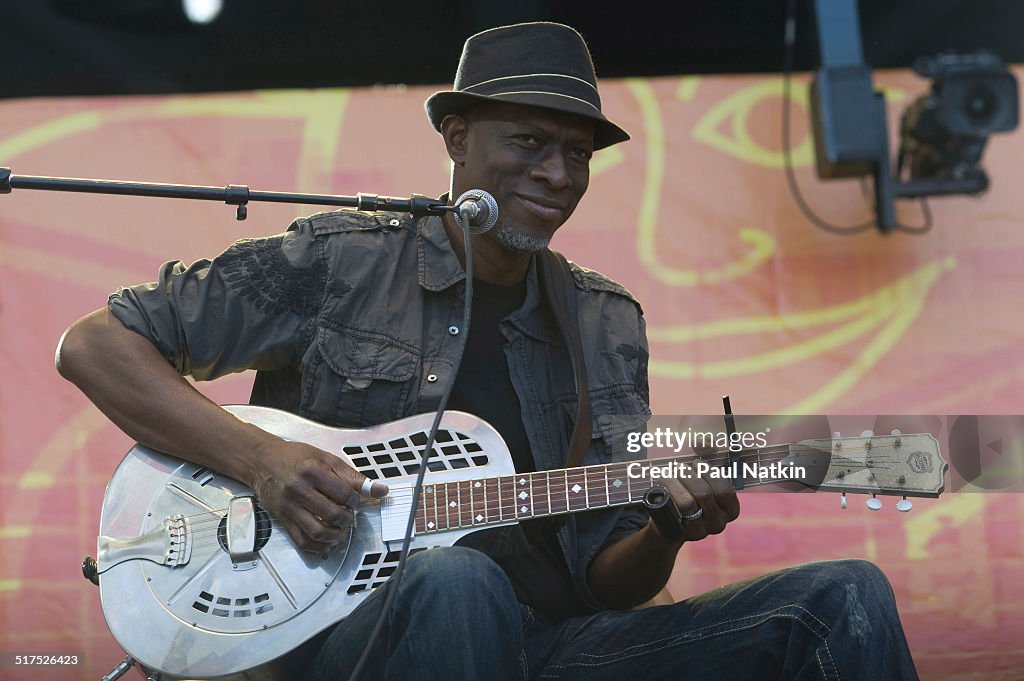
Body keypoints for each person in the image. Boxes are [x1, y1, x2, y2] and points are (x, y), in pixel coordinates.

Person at [57, 22, 920, 681]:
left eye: (576, 155)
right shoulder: (341, 262)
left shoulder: (602, 321)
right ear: (457, 136)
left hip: (548, 648)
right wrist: (264, 461)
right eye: (531, 143)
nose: (557, 174)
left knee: (844, 597)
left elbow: (612, 580)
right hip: (332, 640)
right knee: (458, 581)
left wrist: (664, 522)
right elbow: (97, 345)